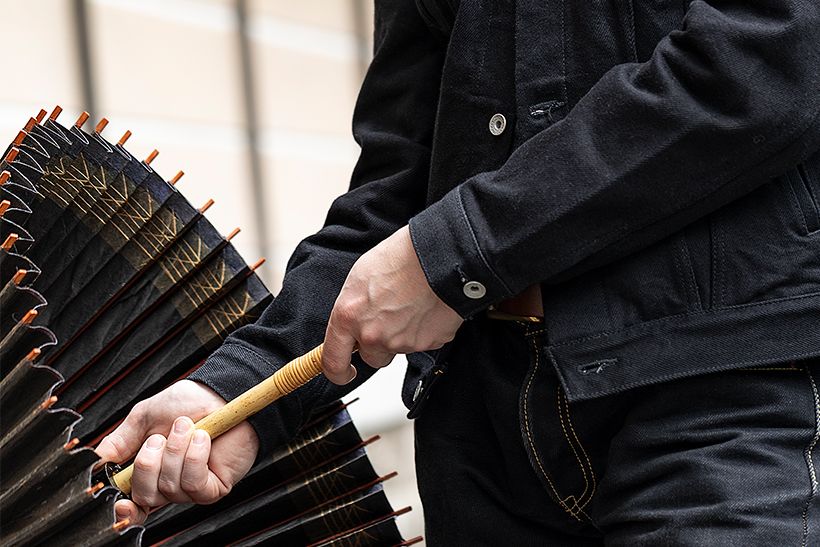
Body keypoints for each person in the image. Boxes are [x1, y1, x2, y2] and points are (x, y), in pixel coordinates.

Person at [96, 1, 820, 544]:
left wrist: (458, 252)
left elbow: (771, 60)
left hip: (716, 396)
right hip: (480, 431)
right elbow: (400, 184)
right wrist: (241, 385)